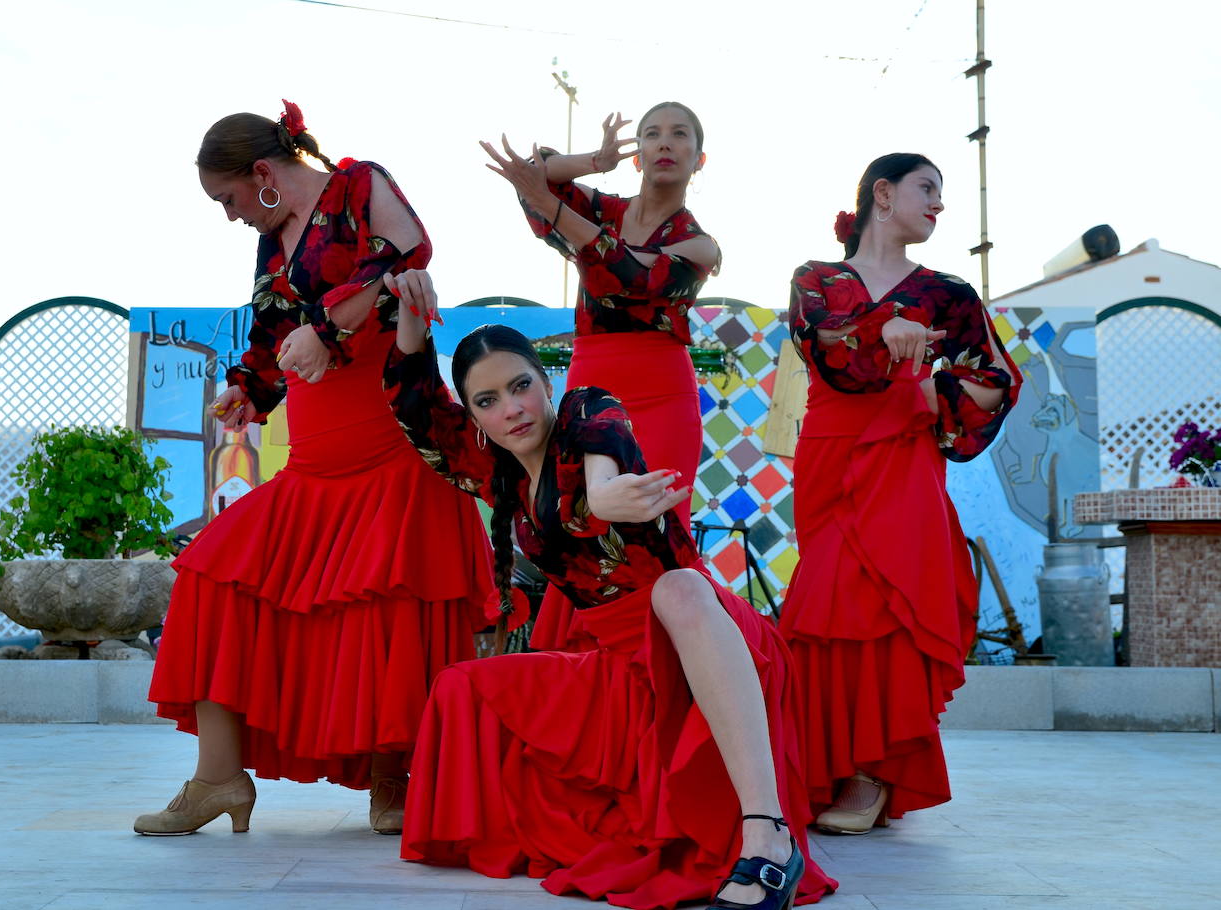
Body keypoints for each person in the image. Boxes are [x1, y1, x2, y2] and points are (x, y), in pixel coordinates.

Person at [382, 285, 836, 909]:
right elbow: (415, 403)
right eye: (487, 401)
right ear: (475, 416)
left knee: (677, 587)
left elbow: (604, 455)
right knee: (462, 686)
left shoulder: (585, 410)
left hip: (699, 636)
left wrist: (603, 497)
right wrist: (410, 311)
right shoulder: (497, 472)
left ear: (546, 382)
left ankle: (768, 833)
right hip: (622, 662)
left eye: (520, 386)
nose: (511, 408)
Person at [136, 100, 492, 838]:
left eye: (227, 199)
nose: (229, 215)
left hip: (393, 445)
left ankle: (395, 783)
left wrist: (329, 332)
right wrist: (249, 388)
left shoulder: (359, 186)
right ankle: (218, 780)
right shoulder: (274, 240)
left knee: (390, 612)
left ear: (263, 174)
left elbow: (409, 248)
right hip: (317, 460)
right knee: (211, 577)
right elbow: (273, 332)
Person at [780, 153, 1021, 835]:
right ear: (881, 194)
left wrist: (925, 393)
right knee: (822, 607)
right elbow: (823, 346)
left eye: (941, 194)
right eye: (928, 189)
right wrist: (880, 332)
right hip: (829, 455)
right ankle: (820, 764)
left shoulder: (948, 293)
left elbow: (996, 378)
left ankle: (871, 769)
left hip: (904, 459)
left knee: (882, 604)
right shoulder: (817, 278)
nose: (939, 204)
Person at [481, 101, 719, 652]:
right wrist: (594, 160)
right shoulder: (602, 208)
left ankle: (662, 680)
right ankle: (586, 692)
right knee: (582, 525)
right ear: (637, 158)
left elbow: (626, 273)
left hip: (662, 395)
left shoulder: (700, 245)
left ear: (698, 159)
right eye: (651, 134)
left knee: (650, 529)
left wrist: (551, 205)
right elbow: (536, 170)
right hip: (593, 388)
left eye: (679, 134)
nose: (664, 142)